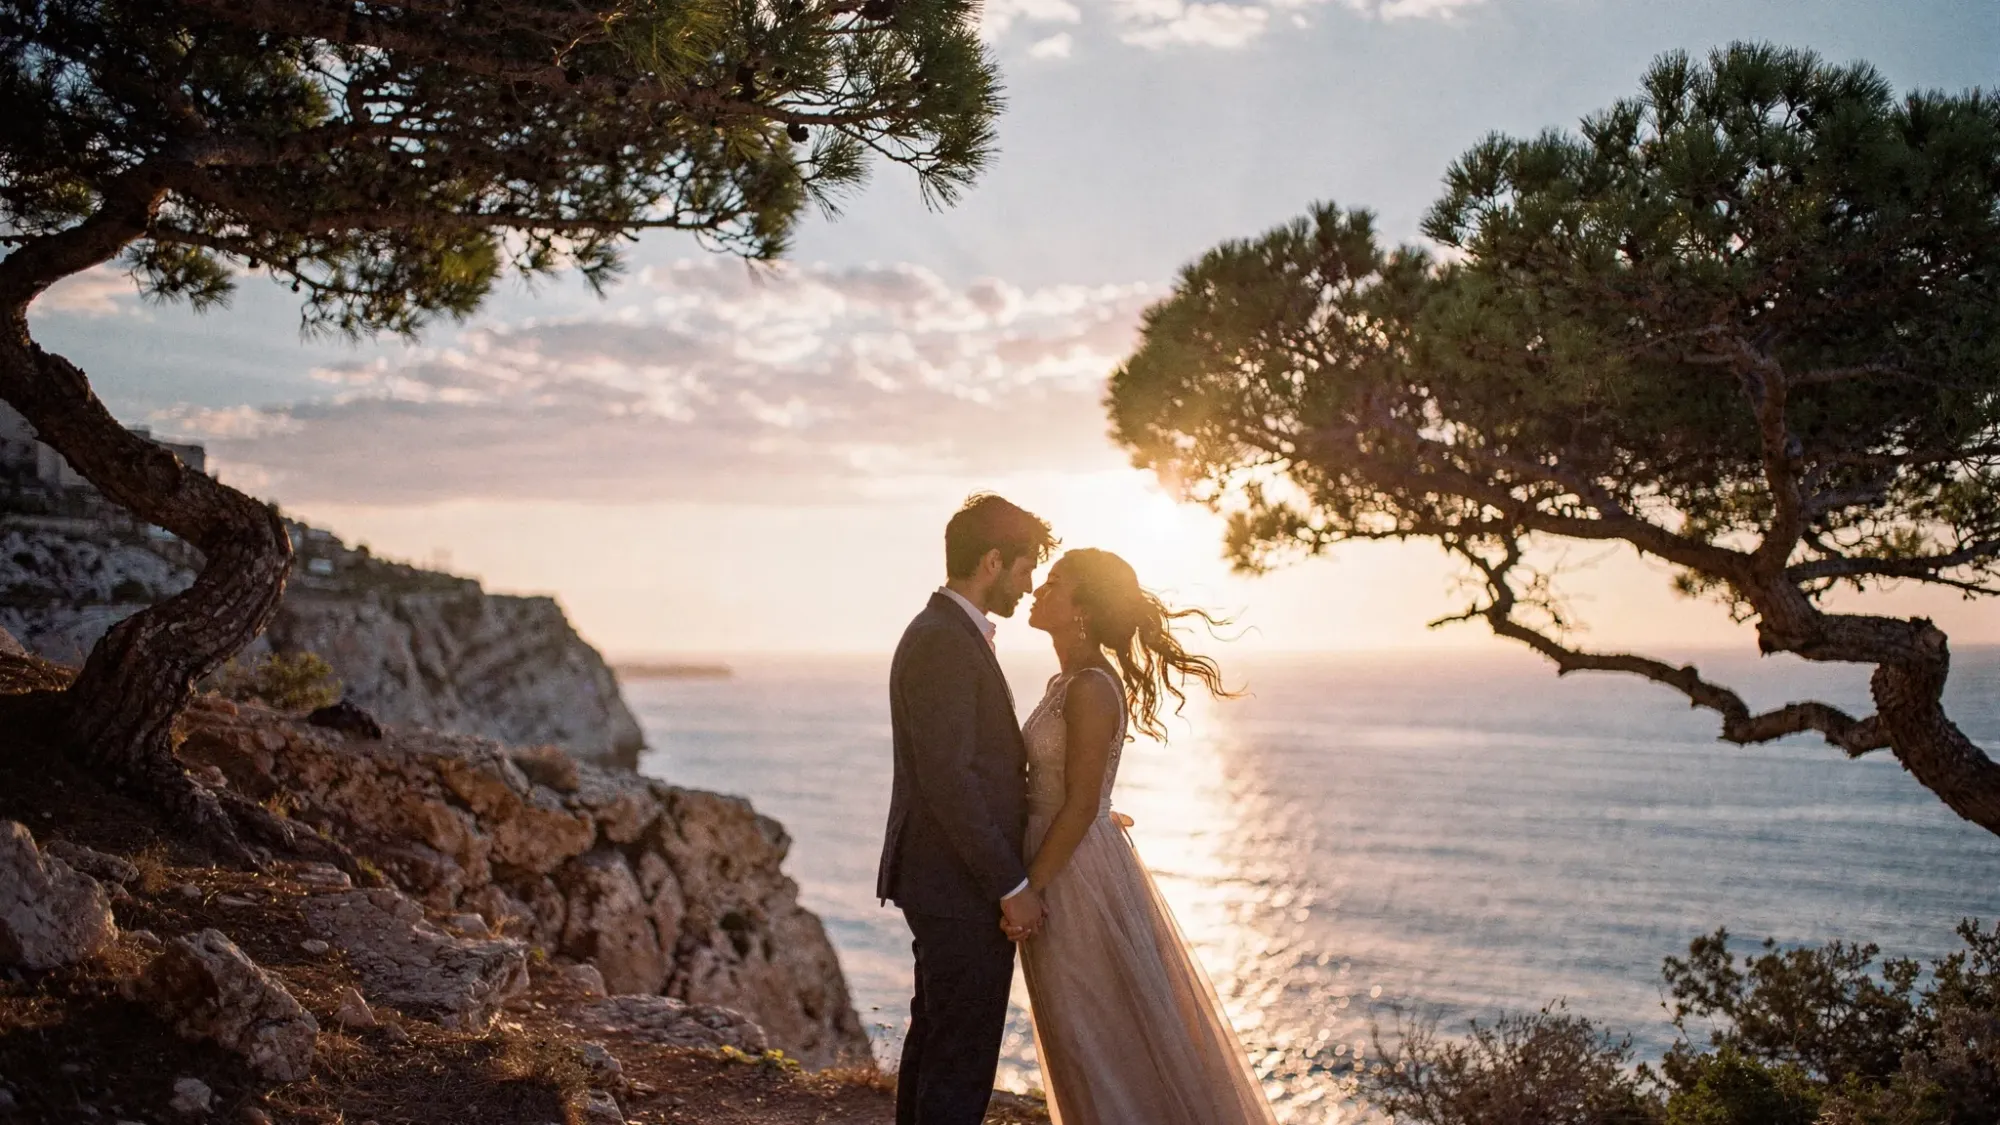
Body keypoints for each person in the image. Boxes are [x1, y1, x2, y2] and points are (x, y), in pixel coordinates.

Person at [1013, 548, 1278, 1124]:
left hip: (1071, 875)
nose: (1038, 591)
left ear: (1082, 607)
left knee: (1093, 1031)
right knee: (1076, 1029)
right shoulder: (1068, 679)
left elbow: (1082, 803)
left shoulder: (1089, 686)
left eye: (1054, 584)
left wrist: (1029, 888)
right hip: (1065, 856)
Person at [877, 493, 1058, 1125]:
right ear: (992, 560)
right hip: (957, 885)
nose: (1029, 582)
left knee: (937, 1043)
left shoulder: (948, 635)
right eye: (1026, 565)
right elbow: (949, 779)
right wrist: (1010, 886)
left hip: (949, 881)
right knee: (961, 1058)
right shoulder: (943, 642)